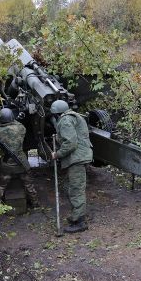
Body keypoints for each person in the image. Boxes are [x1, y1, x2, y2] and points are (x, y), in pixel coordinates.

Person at [50, 100, 93, 233]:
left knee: (76, 190)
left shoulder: (65, 120)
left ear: (57, 113)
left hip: (76, 158)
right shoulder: (75, 116)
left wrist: (57, 154)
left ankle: (80, 222)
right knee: (75, 188)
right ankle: (76, 216)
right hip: (80, 156)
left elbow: (70, 143)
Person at [0, 108, 39, 208]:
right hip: (21, 163)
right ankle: (35, 204)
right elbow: (18, 124)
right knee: (29, 185)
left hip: (6, 166)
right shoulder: (20, 128)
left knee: (1, 186)